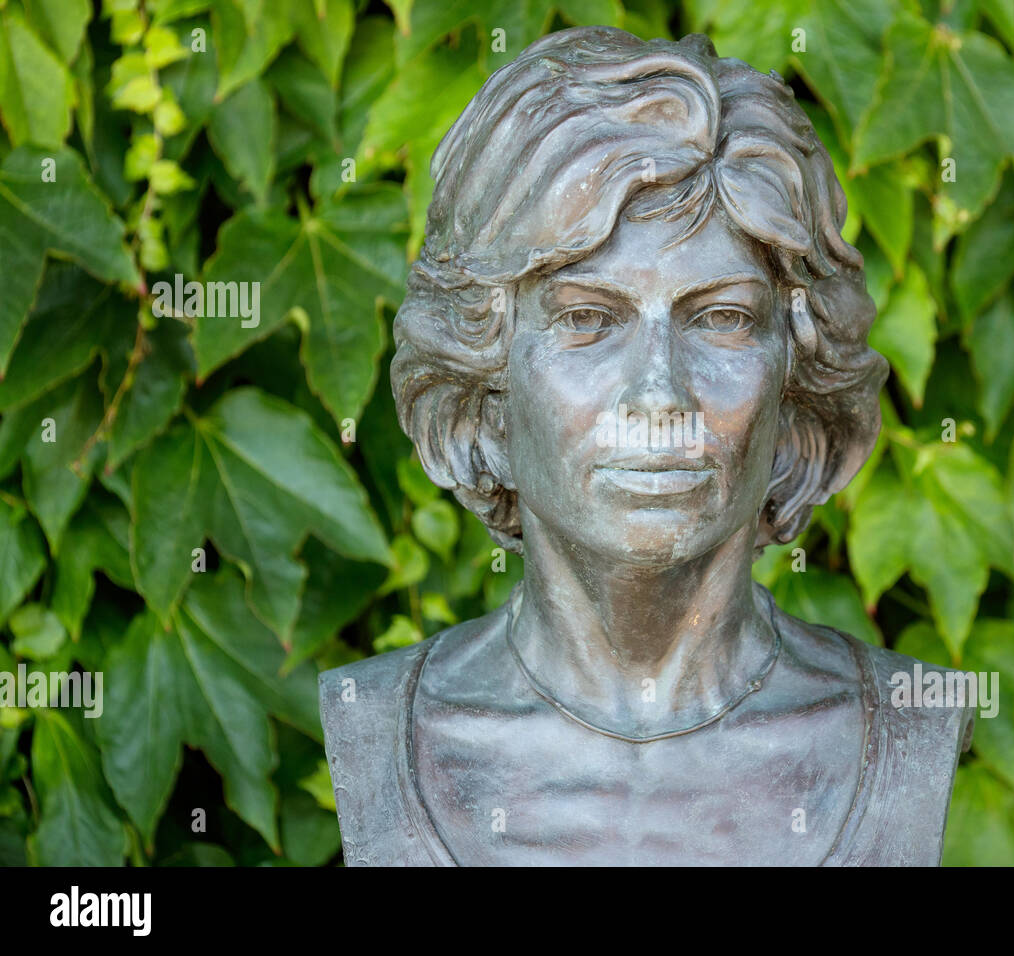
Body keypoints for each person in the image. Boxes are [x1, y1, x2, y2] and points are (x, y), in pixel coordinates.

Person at [320, 25, 974, 866]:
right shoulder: (374, 727)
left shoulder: (907, 727)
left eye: (723, 319)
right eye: (587, 320)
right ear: (486, 394)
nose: (659, 395)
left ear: (796, 385)